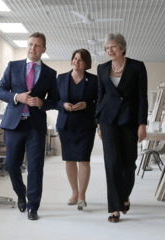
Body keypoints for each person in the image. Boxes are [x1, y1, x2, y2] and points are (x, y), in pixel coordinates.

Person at [0, 32, 58, 220]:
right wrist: (17, 97)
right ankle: (21, 194)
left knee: (35, 167)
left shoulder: (49, 73)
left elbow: (56, 101)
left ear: (44, 49)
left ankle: (33, 206)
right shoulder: (13, 66)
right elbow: (1, 91)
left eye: (37, 45)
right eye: (31, 44)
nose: (33, 48)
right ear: (27, 46)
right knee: (12, 165)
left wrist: (41, 102)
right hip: (14, 125)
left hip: (35, 126)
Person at [95, 33, 148, 223]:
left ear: (122, 48)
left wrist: (142, 124)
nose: (109, 51)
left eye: (113, 47)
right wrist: (98, 123)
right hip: (108, 120)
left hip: (129, 120)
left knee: (129, 162)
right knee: (112, 163)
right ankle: (114, 208)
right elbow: (100, 98)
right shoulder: (102, 69)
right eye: (107, 48)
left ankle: (124, 194)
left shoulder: (137, 66)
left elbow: (142, 97)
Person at [56, 49, 98, 210]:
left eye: (80, 60)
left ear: (86, 63)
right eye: (75, 58)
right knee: (70, 159)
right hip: (66, 125)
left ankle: (82, 195)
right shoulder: (61, 78)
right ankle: (74, 192)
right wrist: (63, 105)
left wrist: (87, 105)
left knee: (84, 159)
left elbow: (100, 102)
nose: (77, 62)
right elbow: (54, 101)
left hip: (86, 126)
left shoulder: (94, 80)